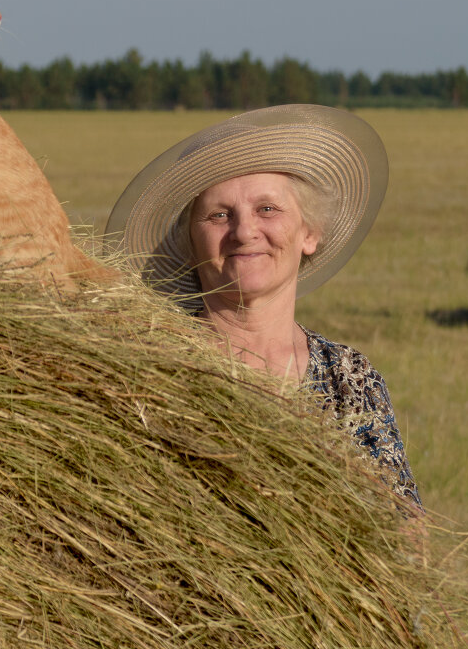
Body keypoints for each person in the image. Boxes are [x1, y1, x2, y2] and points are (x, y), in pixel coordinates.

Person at [105, 104, 421, 505]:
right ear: (188, 246)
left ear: (310, 234)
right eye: (219, 215)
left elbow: (406, 532)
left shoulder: (351, 379)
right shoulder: (152, 373)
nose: (244, 231)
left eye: (267, 209)